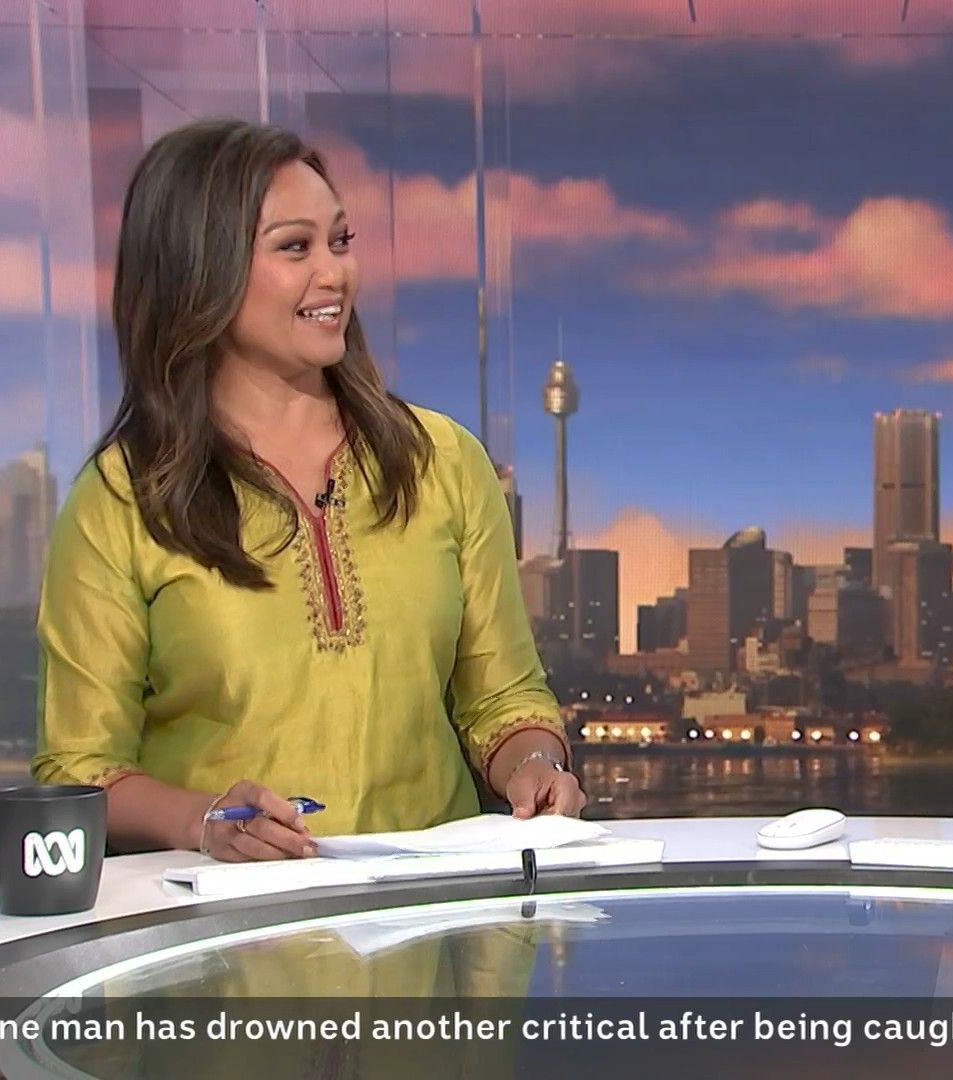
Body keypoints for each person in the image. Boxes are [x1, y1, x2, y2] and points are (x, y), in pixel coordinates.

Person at [32, 119, 585, 862]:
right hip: (225, 918)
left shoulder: (443, 462)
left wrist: (535, 764)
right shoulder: (123, 498)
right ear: (200, 270)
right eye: (295, 247)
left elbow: (505, 699)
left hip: (430, 910)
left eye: (341, 241)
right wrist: (202, 821)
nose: (335, 274)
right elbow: (79, 768)